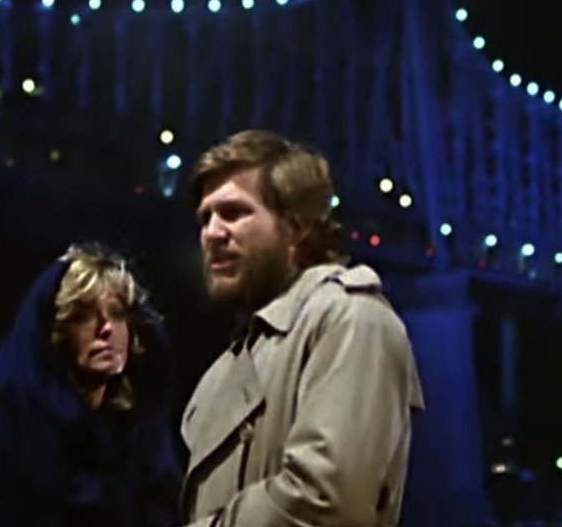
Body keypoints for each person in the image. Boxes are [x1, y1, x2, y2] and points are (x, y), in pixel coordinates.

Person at [180, 130, 425, 526]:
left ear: (297, 226)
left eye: (234, 213)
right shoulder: (223, 369)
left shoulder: (352, 319)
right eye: (205, 217)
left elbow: (324, 500)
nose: (212, 233)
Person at [0, 244, 181, 527]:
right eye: (83, 316)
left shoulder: (139, 429)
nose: (106, 328)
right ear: (55, 332)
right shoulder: (6, 419)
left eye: (118, 314)